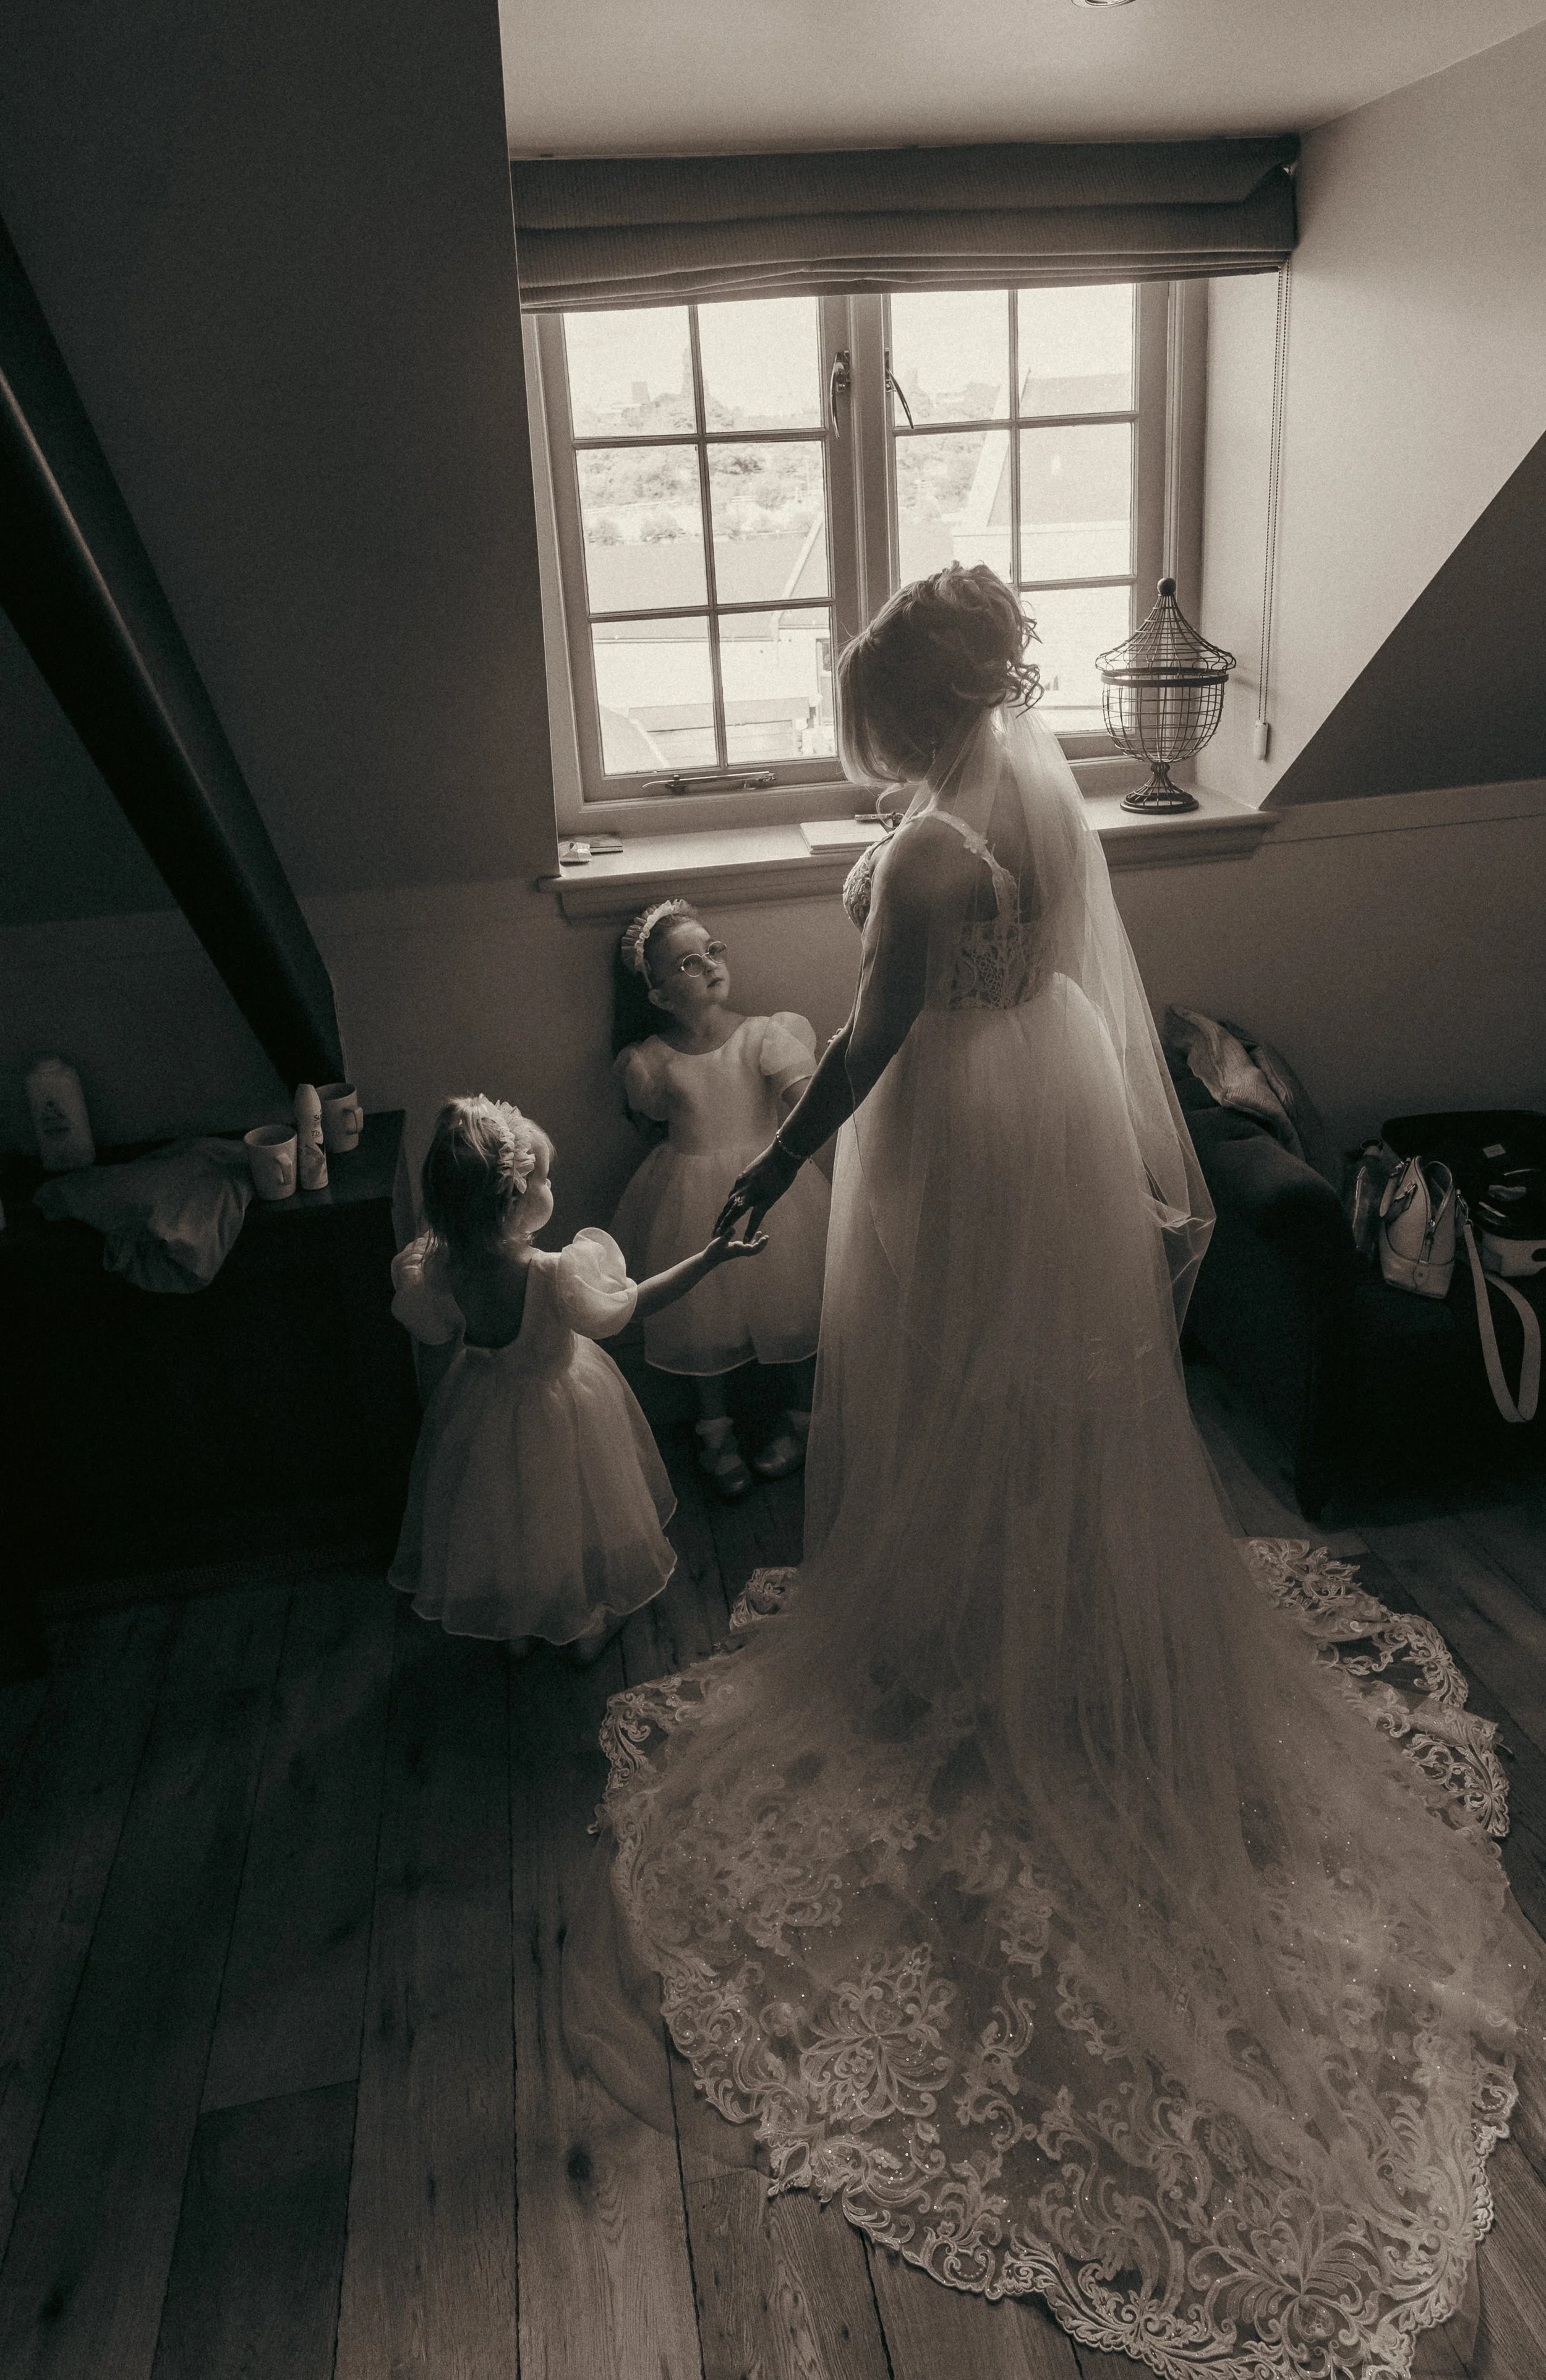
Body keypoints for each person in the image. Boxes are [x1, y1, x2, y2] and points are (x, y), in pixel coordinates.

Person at [579, 568, 1541, 2375]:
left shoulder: (939, 845)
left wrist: (768, 1180)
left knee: (956, 1391)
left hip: (952, 1118)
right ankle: (1061, 1625)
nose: (861, 744)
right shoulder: (1027, 790)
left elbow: (864, 1045)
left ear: (919, 713)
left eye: (871, 714)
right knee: (1053, 1404)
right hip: (1052, 1100)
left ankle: (975, 1650)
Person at [388, 1095, 762, 1661]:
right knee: (575, 1508)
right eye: (544, 1177)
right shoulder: (553, 1275)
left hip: (483, 1408)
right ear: (513, 1203)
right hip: (562, 1409)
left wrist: (436, 1418)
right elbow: (635, 1301)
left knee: (512, 1513)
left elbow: (433, 1344)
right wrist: (706, 1261)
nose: (551, 1185)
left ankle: (519, 1622)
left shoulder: (439, 1270)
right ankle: (584, 1626)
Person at [610, 901, 830, 1499]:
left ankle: (805, 1422)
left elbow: (808, 1109)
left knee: (789, 1302)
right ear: (658, 996)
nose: (708, 965)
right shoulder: (651, 1061)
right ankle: (715, 1430)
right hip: (692, 1199)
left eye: (713, 949)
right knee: (700, 1317)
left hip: (771, 1188)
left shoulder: (764, 1034)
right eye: (687, 962)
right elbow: (655, 1117)